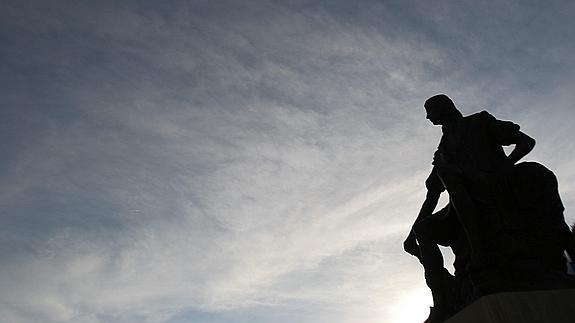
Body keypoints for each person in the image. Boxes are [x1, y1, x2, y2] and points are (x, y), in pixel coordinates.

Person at [404, 94, 536, 322]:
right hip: (460, 204)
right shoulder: (443, 148)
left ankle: (479, 251)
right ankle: (441, 303)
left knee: (448, 173)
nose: (427, 117)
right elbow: (433, 193)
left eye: (430, 110)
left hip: (492, 189)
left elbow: (526, 142)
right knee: (425, 229)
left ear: (444, 108)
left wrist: (504, 167)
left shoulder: (479, 122)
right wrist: (412, 233)